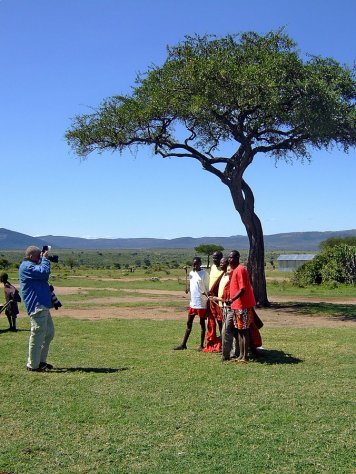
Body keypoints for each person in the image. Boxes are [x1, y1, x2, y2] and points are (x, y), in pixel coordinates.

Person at [19, 246, 55, 371]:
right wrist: (45, 260)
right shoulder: (27, 266)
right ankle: (33, 365)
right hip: (37, 305)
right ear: (30, 256)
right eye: (38, 255)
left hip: (43, 305)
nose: (40, 256)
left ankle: (41, 361)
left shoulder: (32, 266)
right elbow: (44, 272)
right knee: (38, 333)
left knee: (49, 333)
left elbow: (43, 276)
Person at [226, 250, 256, 363]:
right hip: (236, 306)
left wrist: (232, 299)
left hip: (242, 305)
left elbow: (242, 289)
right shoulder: (234, 271)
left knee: (244, 331)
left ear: (237, 258)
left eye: (232, 257)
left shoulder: (241, 270)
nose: (229, 259)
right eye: (229, 257)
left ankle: (245, 356)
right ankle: (241, 355)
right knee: (239, 330)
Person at [174, 256, 209, 351]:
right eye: (193, 264)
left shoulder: (204, 274)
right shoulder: (191, 273)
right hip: (193, 303)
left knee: (202, 324)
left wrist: (207, 296)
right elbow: (191, 285)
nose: (194, 266)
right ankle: (183, 344)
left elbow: (207, 287)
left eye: (196, 264)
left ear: (200, 264)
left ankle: (201, 345)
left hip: (201, 303)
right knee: (189, 323)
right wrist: (188, 289)